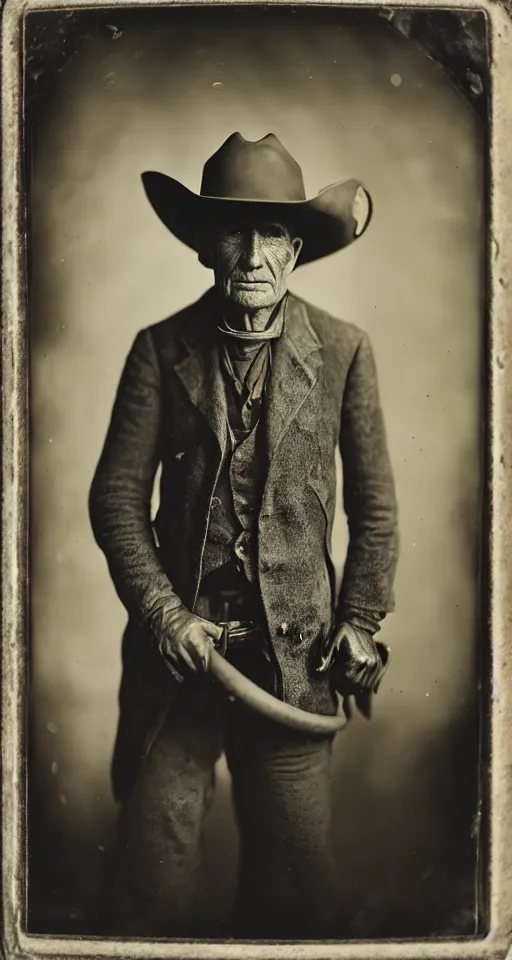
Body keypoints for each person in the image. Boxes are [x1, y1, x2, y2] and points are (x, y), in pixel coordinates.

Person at [89, 132, 399, 939]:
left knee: (294, 900)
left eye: (272, 235)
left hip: (292, 676)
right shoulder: (159, 352)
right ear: (205, 246)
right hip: (177, 676)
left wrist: (361, 621)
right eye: (234, 231)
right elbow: (117, 499)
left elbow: (376, 508)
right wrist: (165, 615)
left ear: (296, 250)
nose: (253, 255)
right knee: (149, 889)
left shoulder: (342, 353)